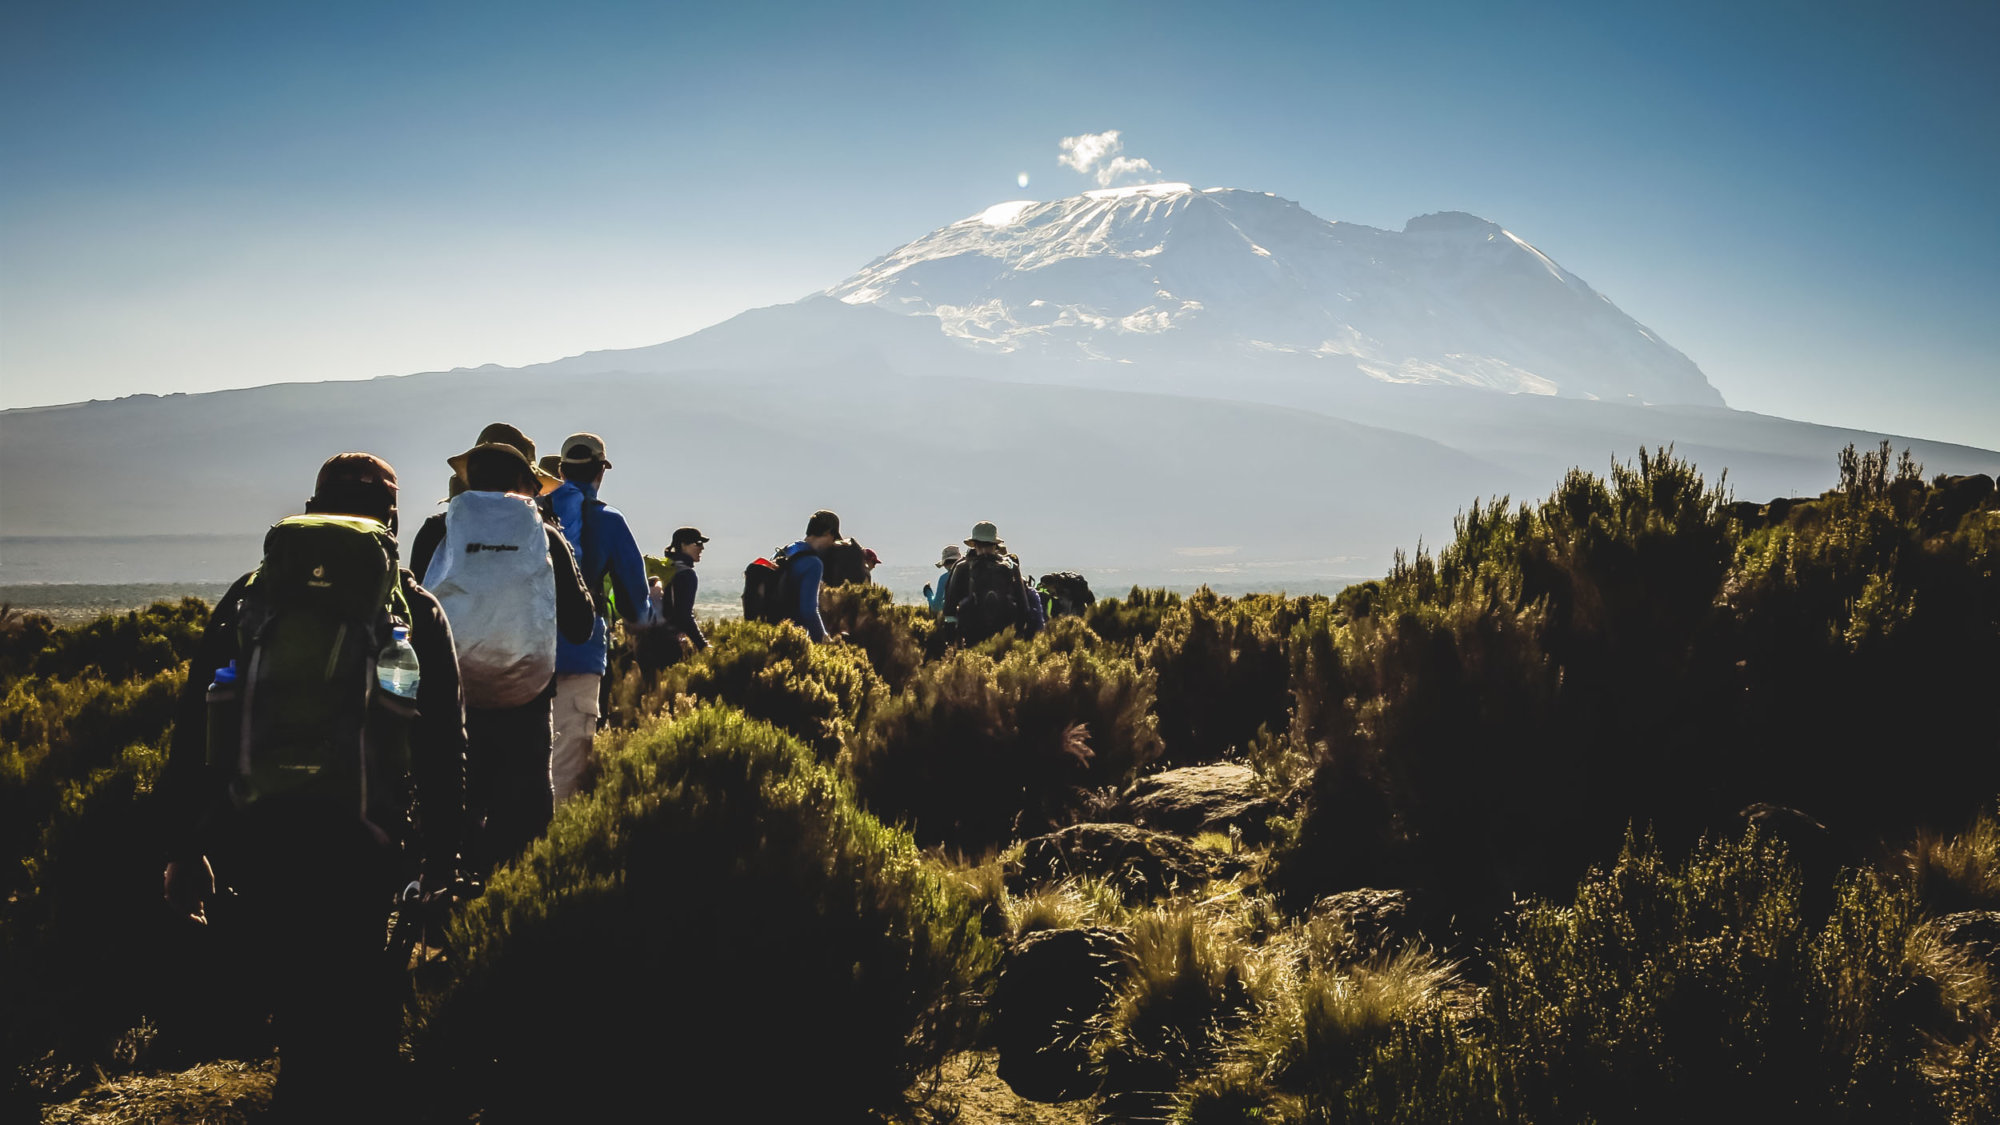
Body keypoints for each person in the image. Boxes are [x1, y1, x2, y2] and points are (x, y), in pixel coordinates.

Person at [158, 453, 466, 1118]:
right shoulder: (414, 607)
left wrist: (186, 841)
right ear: (391, 517)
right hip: (367, 830)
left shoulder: (252, 595)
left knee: (296, 1002)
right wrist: (443, 856)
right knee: (354, 998)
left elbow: (198, 717)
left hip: (261, 827)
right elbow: (443, 742)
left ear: (309, 506)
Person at [410, 436, 593, 873]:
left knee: (451, 797)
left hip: (449, 698)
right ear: (524, 483)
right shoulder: (546, 535)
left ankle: (441, 892)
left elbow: (412, 608)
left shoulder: (438, 530)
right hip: (525, 698)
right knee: (524, 810)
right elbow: (580, 625)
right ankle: (507, 900)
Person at [544, 432, 657, 804]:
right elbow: (636, 605)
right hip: (578, 655)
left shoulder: (533, 511)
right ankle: (550, 852)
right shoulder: (608, 520)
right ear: (601, 472)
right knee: (565, 764)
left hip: (518, 648)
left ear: (559, 471)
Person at [948, 521, 1040, 644]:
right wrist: (1019, 634)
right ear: (995, 545)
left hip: (972, 635)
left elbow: (949, 607)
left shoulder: (962, 567)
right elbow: (1024, 606)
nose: (984, 549)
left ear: (974, 544)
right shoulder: (1011, 566)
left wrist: (953, 639)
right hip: (1005, 635)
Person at [774, 509, 841, 642]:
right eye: (833, 538)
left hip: (771, 631)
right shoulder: (813, 564)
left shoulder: (785, 552)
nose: (832, 543)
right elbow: (809, 610)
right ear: (828, 533)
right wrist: (822, 637)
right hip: (793, 637)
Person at [654, 526, 710, 655]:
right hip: (670, 641)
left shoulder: (666, 569)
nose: (702, 548)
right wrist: (702, 645)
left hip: (647, 638)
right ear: (683, 545)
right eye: (698, 543)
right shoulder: (686, 574)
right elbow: (684, 616)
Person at [925, 545, 961, 614]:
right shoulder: (971, 572)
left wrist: (928, 592)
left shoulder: (944, 578)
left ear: (945, 564)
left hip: (953, 620)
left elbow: (936, 606)